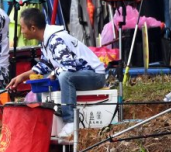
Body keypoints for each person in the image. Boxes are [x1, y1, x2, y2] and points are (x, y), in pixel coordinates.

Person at [9, 7, 106, 140]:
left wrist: (54, 72)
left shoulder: (56, 40)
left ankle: (71, 122)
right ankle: (44, 122)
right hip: (81, 75)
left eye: (22, 27)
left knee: (64, 76)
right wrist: (21, 77)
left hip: (95, 76)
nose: (21, 31)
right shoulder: (46, 41)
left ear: (33, 28)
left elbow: (69, 67)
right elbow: (44, 65)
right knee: (50, 78)